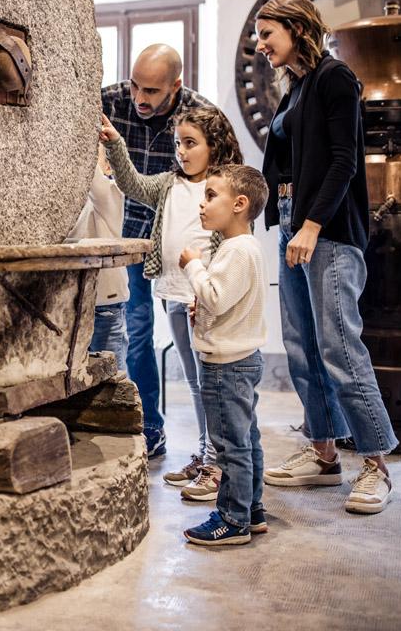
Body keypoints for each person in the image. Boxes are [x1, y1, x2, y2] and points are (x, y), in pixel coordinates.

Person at [256, 0, 397, 515]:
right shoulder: (294, 88)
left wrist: (312, 225)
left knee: (339, 346)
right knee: (301, 345)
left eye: (267, 34)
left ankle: (377, 464)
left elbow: (344, 162)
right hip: (293, 223)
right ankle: (323, 454)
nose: (261, 44)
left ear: (297, 29)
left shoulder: (335, 78)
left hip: (328, 229)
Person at [99, 104, 242, 485]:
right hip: (175, 296)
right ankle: (205, 451)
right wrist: (115, 144)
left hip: (206, 298)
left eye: (191, 143)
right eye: (179, 143)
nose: (182, 151)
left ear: (216, 145)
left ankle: (221, 460)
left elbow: (233, 240)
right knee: (195, 381)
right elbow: (132, 184)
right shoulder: (169, 184)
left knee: (214, 382)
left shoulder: (224, 188)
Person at [102, 44, 218, 458]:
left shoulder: (200, 117)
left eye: (152, 91)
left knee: (198, 354)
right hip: (126, 234)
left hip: (181, 248)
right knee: (135, 331)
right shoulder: (109, 101)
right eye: (136, 86)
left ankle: (215, 451)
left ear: (177, 85)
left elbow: (230, 187)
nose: (140, 99)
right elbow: (131, 183)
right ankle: (148, 426)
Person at [178, 164, 269, 546]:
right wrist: (206, 308)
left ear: (240, 204)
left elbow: (215, 295)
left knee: (230, 446)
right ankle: (252, 508)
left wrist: (193, 266)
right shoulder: (245, 248)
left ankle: (232, 520)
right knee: (246, 438)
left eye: (211, 195)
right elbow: (228, 302)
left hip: (225, 366)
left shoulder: (235, 250)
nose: (203, 204)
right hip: (243, 357)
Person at [67, 144, 130, 372]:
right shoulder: (70, 202)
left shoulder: (111, 196)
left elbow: (96, 184)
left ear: (107, 166)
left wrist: (78, 142)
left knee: (111, 375)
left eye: (93, 156)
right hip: (76, 303)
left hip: (106, 304)